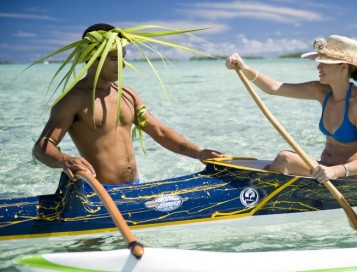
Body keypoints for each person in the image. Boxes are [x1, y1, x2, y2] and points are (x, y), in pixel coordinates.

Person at [33, 23, 225, 191]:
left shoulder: (128, 95)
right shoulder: (73, 100)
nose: (122, 65)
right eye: (114, 59)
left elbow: (159, 132)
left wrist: (199, 152)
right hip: (100, 193)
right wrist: (64, 160)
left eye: (122, 58)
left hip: (135, 189)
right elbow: (42, 147)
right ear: (92, 58)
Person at [226, 35, 357, 183]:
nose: (318, 66)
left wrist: (334, 171)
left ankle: (258, 195)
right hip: (324, 170)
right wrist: (244, 68)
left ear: (343, 67)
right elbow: (274, 87)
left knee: (284, 158)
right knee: (279, 163)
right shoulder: (321, 92)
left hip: (350, 177)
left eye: (324, 62)